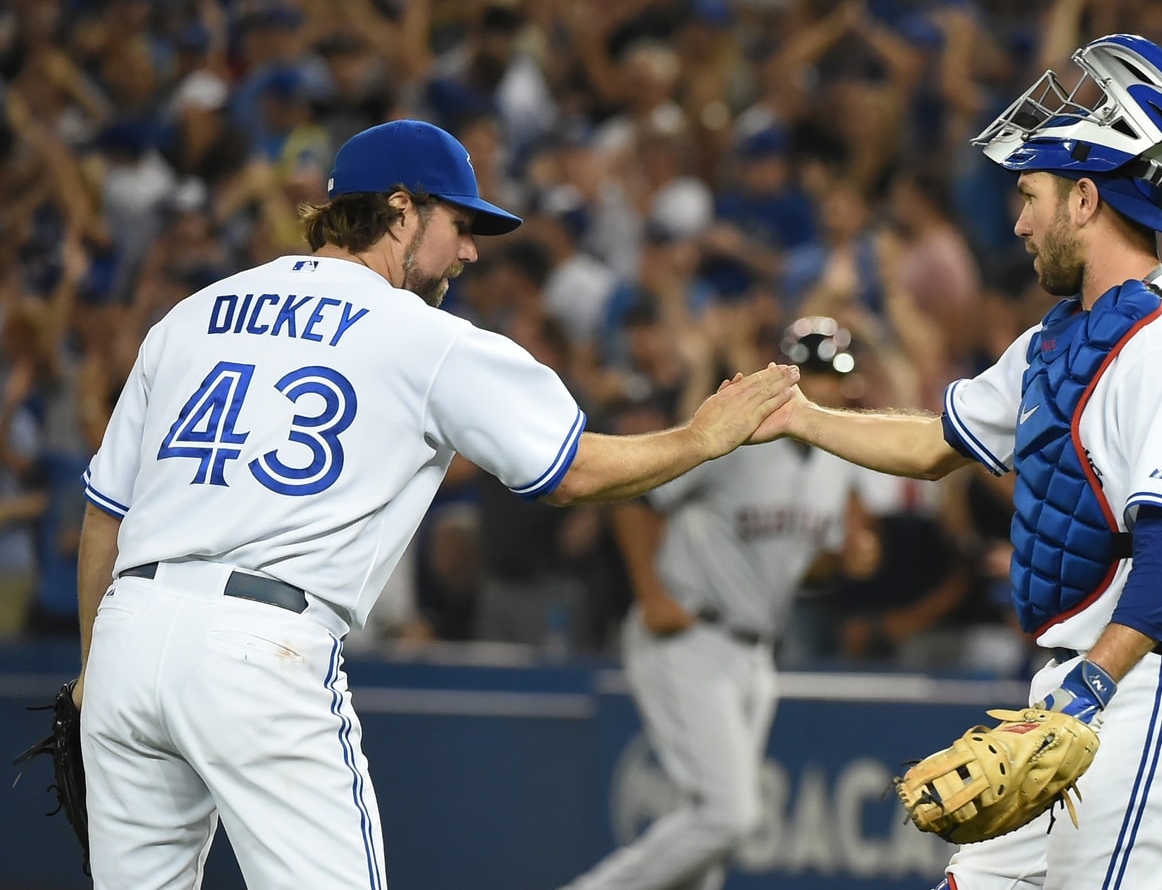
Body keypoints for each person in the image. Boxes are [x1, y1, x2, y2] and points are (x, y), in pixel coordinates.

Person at [73, 118, 800, 889]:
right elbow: (574, 471)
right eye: (459, 223)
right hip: (260, 645)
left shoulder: (189, 316)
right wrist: (699, 438)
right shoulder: (423, 336)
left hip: (126, 633)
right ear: (399, 209)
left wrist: (94, 674)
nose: (471, 250)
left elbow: (104, 517)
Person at [753, 35, 1162, 889]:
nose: (1018, 222)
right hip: (1081, 689)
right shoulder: (1055, 342)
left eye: (1030, 197)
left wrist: (1091, 690)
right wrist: (799, 417)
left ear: (1086, 199)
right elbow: (932, 445)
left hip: (1155, 682)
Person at [560, 316, 879, 890]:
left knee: (708, 822)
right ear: (789, 376)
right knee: (728, 815)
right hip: (689, 633)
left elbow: (797, 560)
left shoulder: (836, 460)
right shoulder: (742, 438)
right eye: (814, 374)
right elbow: (637, 501)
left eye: (835, 376)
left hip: (756, 653)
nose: (826, 388)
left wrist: (846, 558)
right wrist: (652, 594)